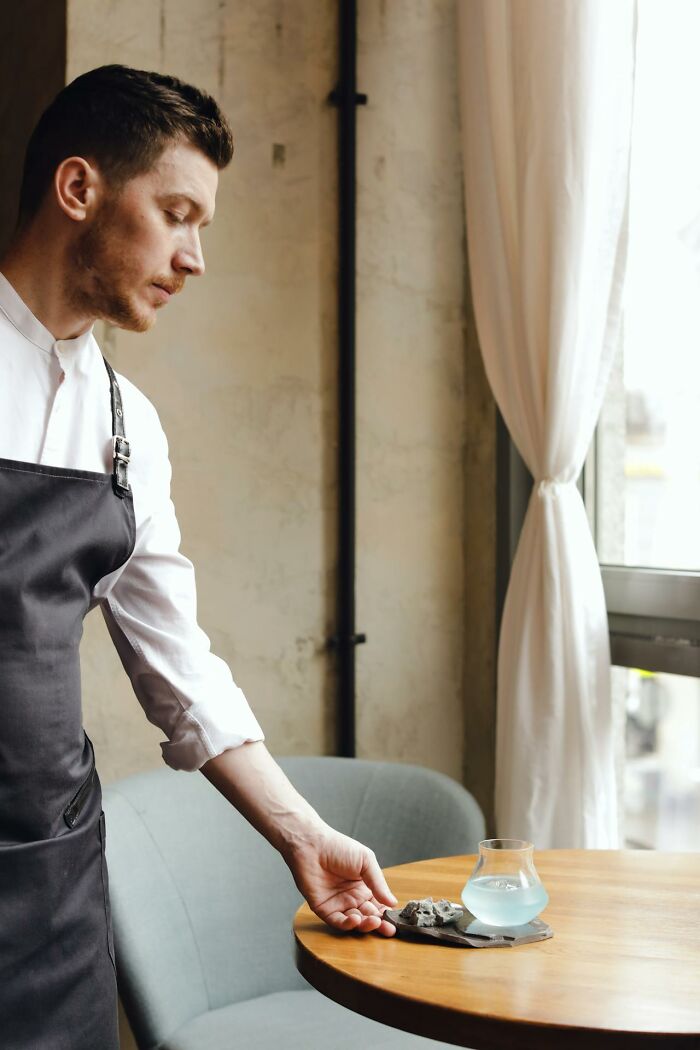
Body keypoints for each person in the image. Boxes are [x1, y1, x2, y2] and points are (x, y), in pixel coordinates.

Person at [0, 64, 397, 1050]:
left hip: (47, 879)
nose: (196, 257)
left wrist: (301, 836)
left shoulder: (129, 427)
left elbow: (179, 666)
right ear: (79, 189)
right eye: (177, 214)